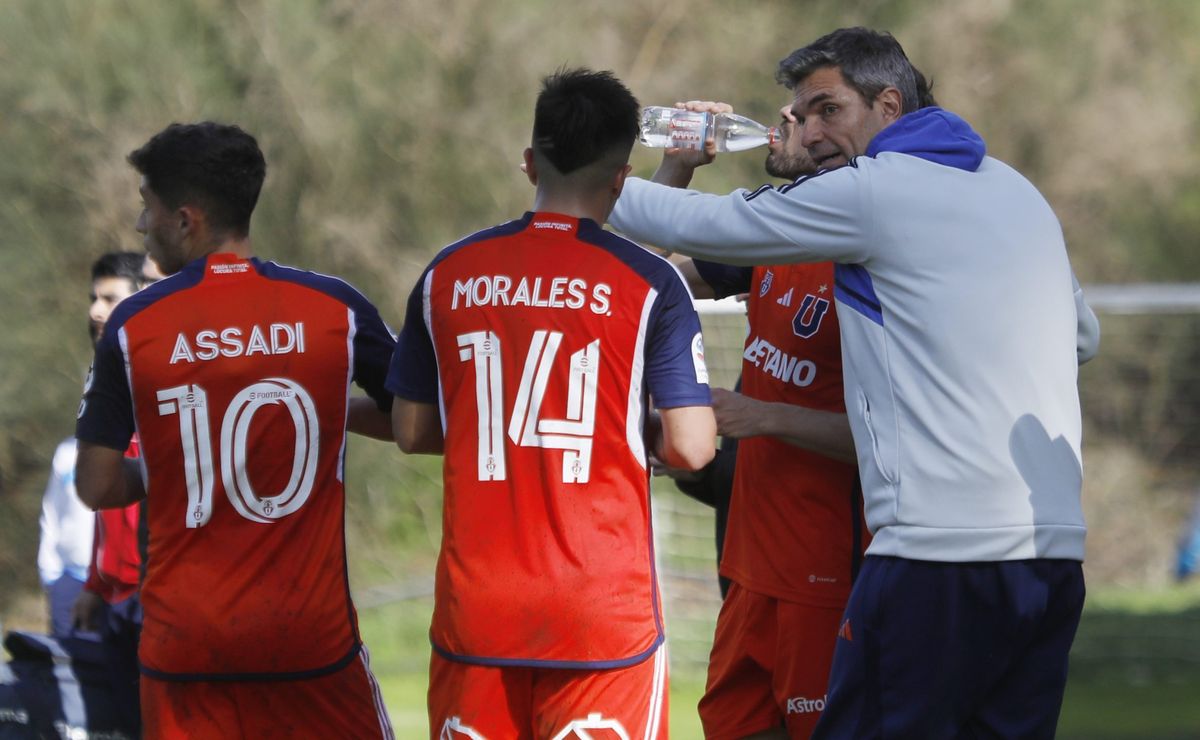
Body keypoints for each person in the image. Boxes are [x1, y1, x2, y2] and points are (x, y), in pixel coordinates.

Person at [610, 28, 1100, 739]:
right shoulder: (1011, 189)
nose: (807, 132)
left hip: (936, 555)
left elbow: (706, 222)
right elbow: (1084, 335)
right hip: (1050, 557)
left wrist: (586, 177)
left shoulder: (875, 193)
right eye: (800, 115)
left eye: (826, 110)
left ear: (889, 104)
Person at [387, 68, 716, 739]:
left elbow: (412, 429)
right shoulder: (654, 285)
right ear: (623, 178)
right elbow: (691, 447)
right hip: (601, 614)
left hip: (476, 609)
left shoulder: (447, 273)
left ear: (531, 161)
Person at [74, 121, 396, 738]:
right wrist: (329, 409)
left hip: (184, 649)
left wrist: (163, 464)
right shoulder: (335, 306)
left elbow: (96, 484)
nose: (142, 226)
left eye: (148, 208)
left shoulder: (134, 325)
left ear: (185, 219)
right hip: (310, 644)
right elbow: (423, 423)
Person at [648, 98, 866, 738]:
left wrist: (759, 414)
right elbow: (634, 280)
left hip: (829, 574)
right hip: (747, 568)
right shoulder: (774, 233)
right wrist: (677, 168)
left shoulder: (872, 258)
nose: (785, 113)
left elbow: (902, 436)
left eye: (812, 105)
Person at [37, 251, 149, 639]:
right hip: (113, 599)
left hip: (154, 597)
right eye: (93, 300)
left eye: (110, 299)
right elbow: (103, 500)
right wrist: (95, 586)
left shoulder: (165, 383)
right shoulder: (105, 381)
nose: (97, 312)